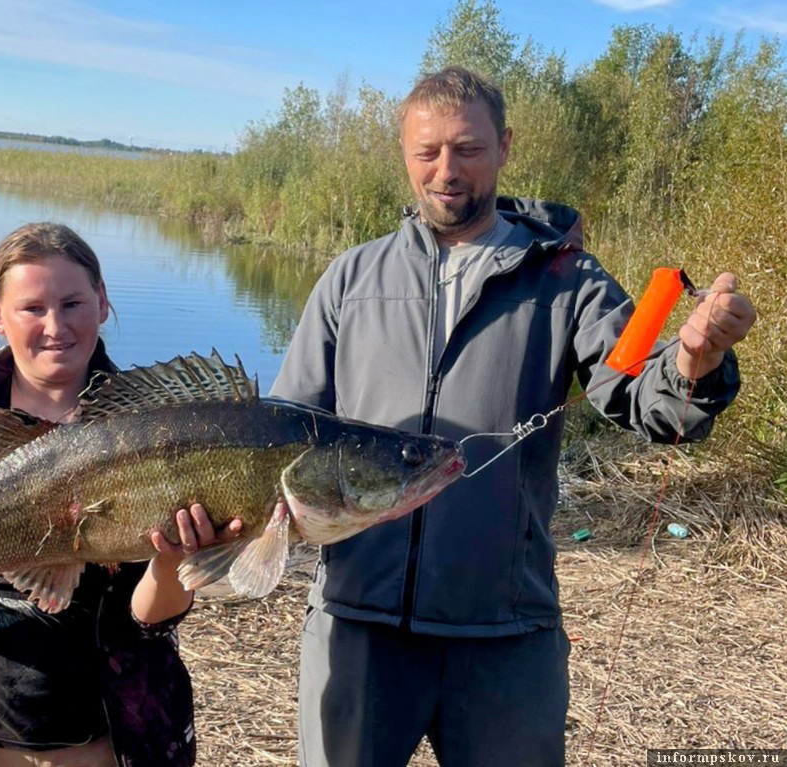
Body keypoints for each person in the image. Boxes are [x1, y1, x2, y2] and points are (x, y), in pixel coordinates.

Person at [270, 67, 756, 767]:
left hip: (505, 633)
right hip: (355, 623)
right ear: (403, 153)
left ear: (503, 146)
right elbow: (286, 431)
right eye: (426, 151)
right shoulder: (351, 279)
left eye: (466, 149)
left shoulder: (568, 279)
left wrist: (694, 360)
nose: (445, 170)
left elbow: (641, 394)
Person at [0, 222, 240, 767]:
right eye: (32, 308)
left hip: (102, 735)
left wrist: (173, 562)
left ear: (103, 301)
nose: (55, 326)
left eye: (73, 302)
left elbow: (150, 621)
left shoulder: (152, 427)